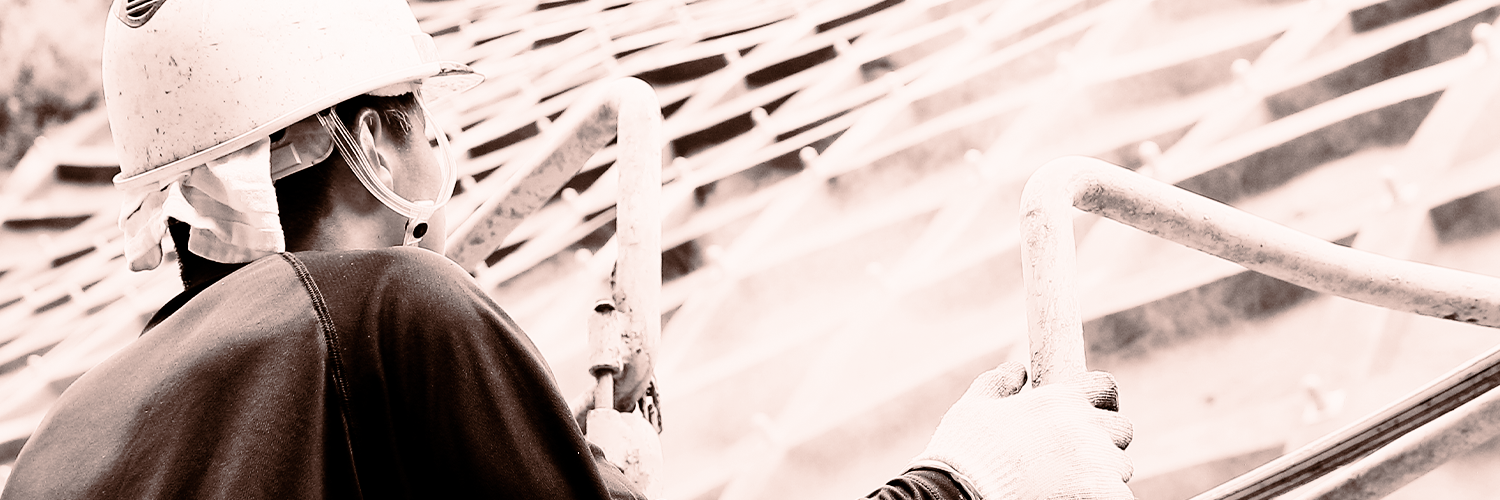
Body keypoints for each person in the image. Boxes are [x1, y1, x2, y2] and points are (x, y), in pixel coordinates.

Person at [1, 0, 1134, 499]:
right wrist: (970, 481)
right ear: (366, 139)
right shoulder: (392, 309)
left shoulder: (64, 443)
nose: (442, 146)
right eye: (421, 113)